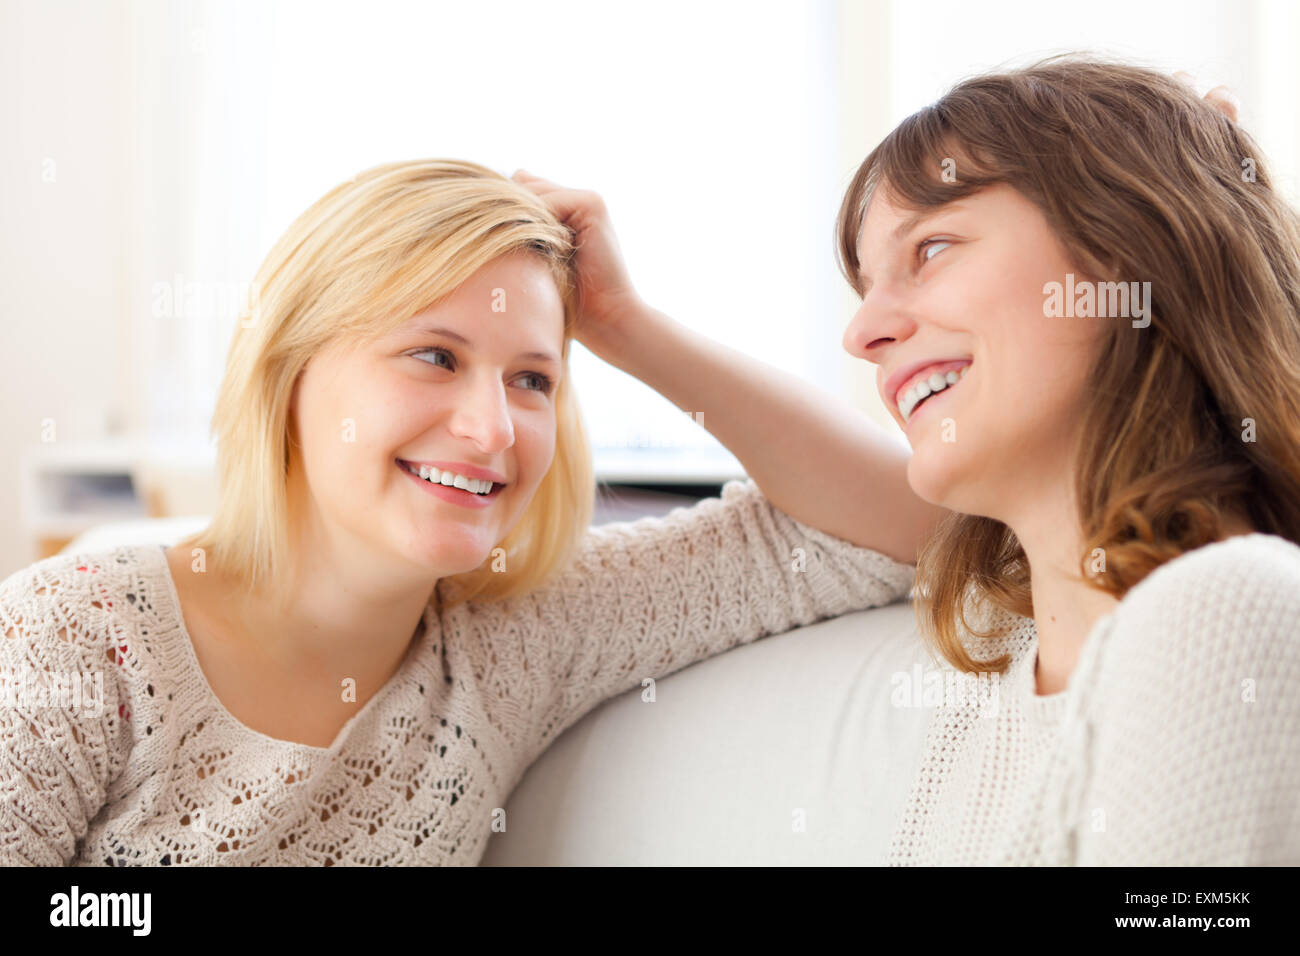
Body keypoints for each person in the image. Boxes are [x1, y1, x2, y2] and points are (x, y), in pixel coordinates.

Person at [0, 159, 921, 866]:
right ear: (292, 374)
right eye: (433, 357)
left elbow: (911, 530)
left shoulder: (513, 643)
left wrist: (629, 325)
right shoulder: (76, 636)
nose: (491, 429)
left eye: (532, 379)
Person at [515, 56, 1300, 865]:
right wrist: (620, 324)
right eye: (865, 289)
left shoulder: (1225, 607)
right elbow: (867, 506)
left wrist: (1196, 167)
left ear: (1136, 244)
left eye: (930, 249)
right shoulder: (1000, 658)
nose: (862, 335)